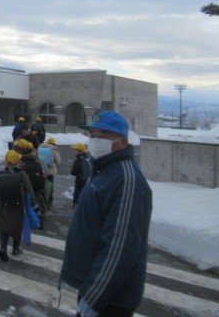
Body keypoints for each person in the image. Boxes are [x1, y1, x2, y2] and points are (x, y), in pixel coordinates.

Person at [60, 111, 152, 317]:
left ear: (123, 142)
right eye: (92, 135)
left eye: (102, 135)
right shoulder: (104, 170)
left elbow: (120, 247)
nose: (95, 140)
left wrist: (94, 298)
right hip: (94, 285)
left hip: (110, 298)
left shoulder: (127, 180)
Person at [0, 149, 39, 261]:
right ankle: (15, 249)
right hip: (18, 206)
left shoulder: (0, 175)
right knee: (17, 227)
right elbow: (29, 190)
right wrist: (34, 205)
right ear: (18, 162)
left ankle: (3, 248)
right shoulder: (22, 175)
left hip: (3, 206)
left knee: (4, 227)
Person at [39, 137, 61, 210]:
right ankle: (49, 199)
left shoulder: (40, 148)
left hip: (42, 171)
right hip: (50, 172)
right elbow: (58, 161)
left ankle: (41, 199)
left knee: (42, 185)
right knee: (50, 185)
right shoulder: (54, 150)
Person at [69, 143, 89, 207]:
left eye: (76, 150)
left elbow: (73, 173)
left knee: (78, 196)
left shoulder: (77, 161)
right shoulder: (88, 158)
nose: (75, 151)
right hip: (88, 181)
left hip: (79, 182)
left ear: (80, 151)